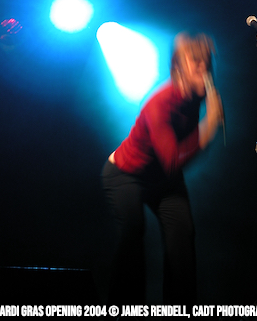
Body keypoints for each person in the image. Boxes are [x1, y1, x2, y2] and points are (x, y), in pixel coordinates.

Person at [101, 32, 224, 307]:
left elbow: (173, 164)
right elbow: (172, 162)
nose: (203, 69)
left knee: (183, 234)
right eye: (196, 63)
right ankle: (121, 308)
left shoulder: (197, 95)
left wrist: (206, 124)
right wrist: (208, 128)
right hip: (126, 174)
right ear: (179, 69)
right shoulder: (160, 103)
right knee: (133, 231)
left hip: (162, 179)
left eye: (206, 63)